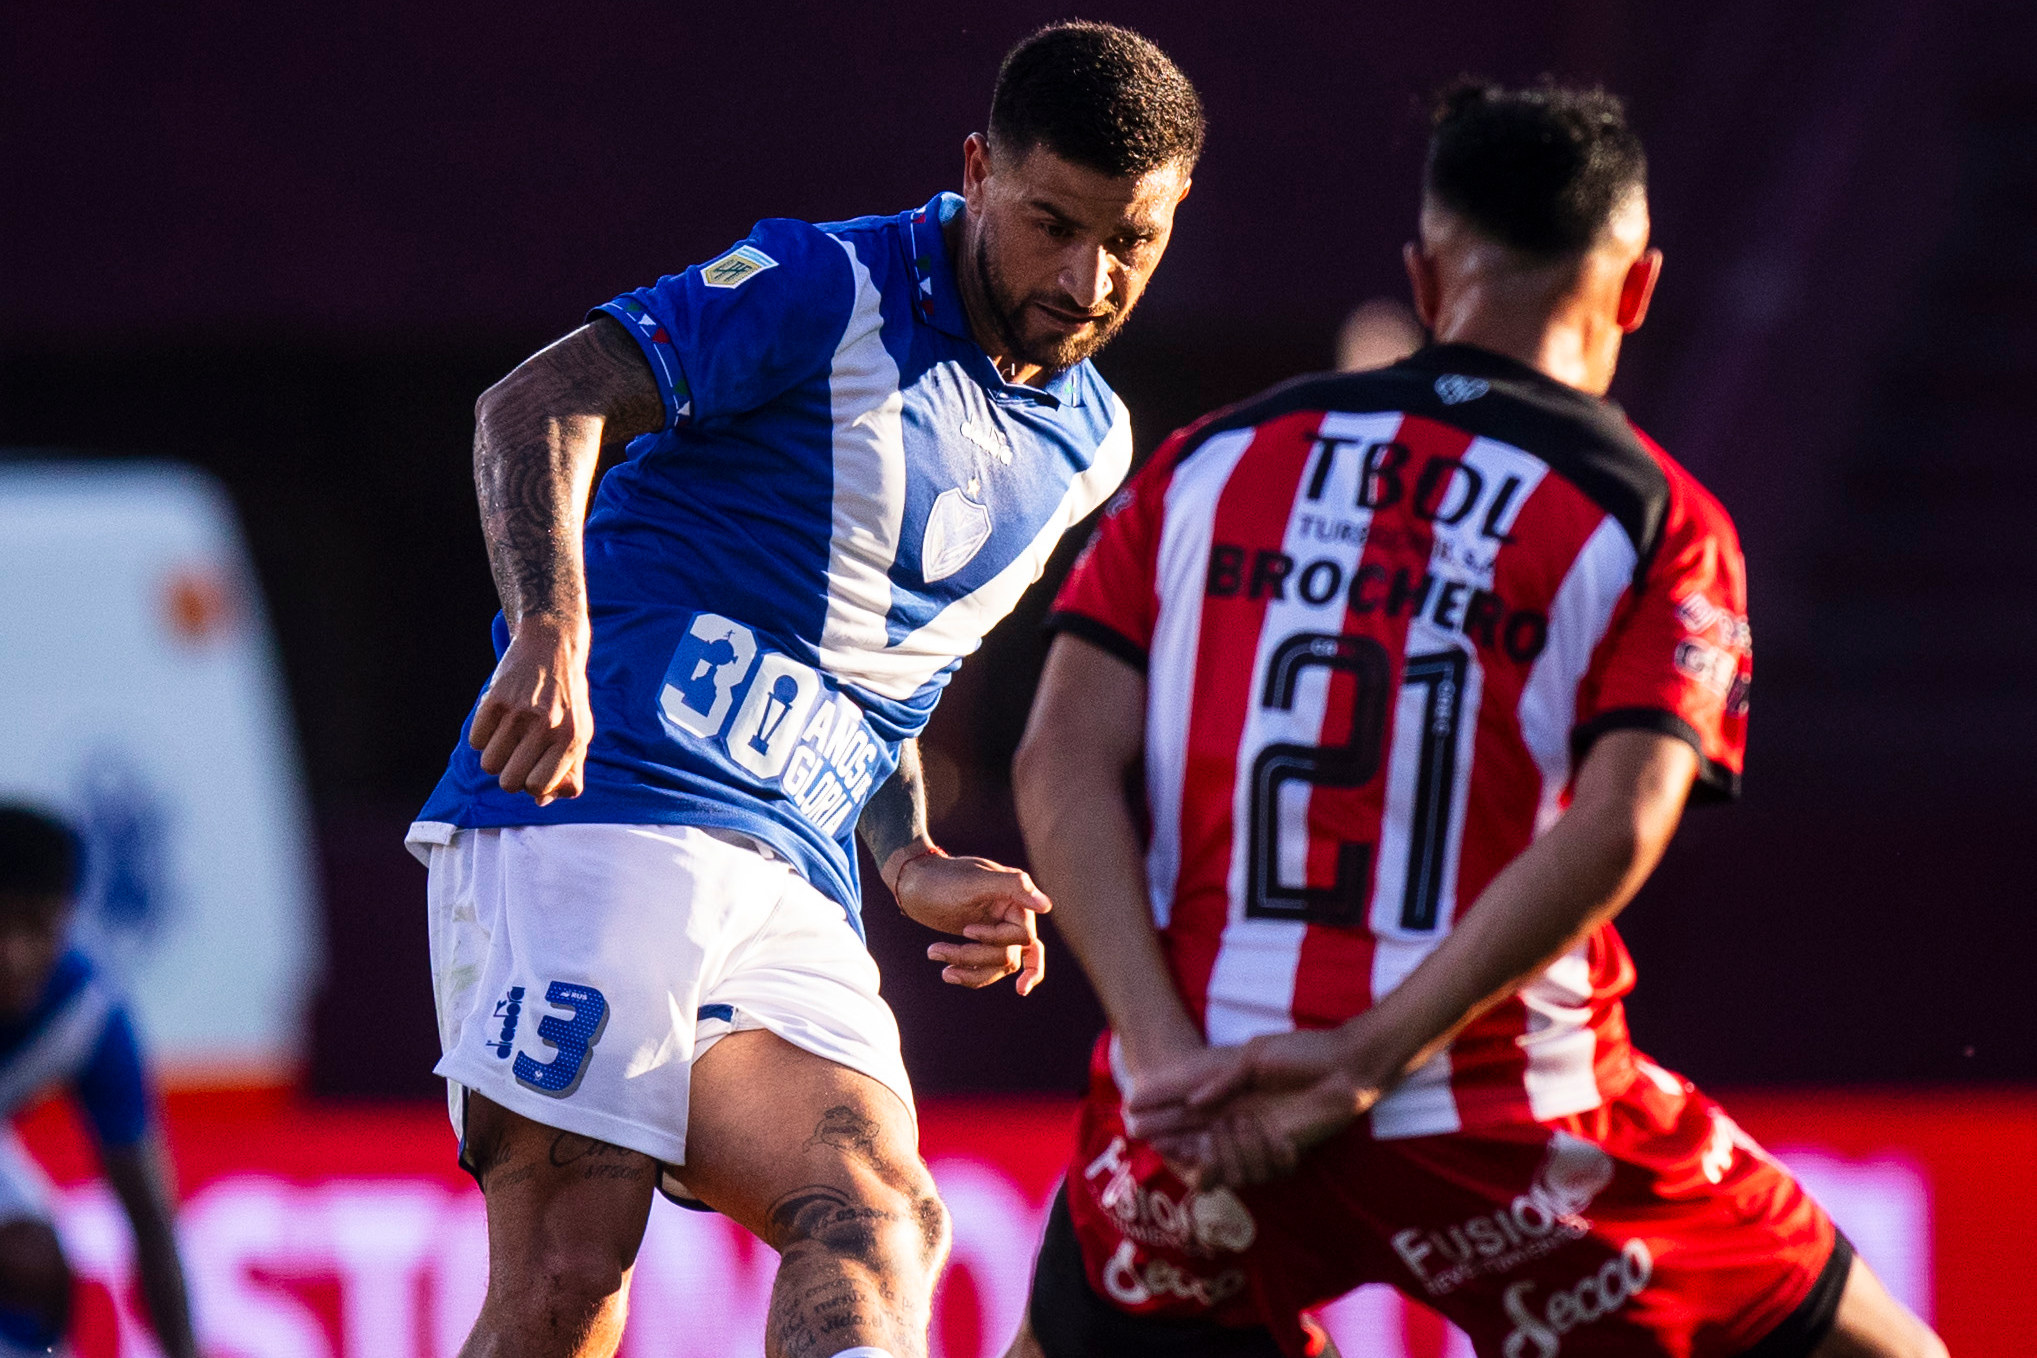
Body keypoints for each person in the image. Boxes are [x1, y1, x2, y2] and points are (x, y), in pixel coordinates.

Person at [1007, 83, 1946, 1358]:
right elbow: (1626, 820)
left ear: (1425, 273)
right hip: (1501, 1107)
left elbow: (1057, 754)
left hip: (1199, 1097)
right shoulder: (1658, 522)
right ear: (1637, 288)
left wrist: (1165, 1058)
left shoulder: (1209, 462)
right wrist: (1366, 1059)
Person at [405, 22, 1201, 1358]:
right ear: (977, 172)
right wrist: (548, 629)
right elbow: (532, 404)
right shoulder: (823, 280)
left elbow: (874, 681)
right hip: (597, 809)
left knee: (881, 1220)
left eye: (1133, 239)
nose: (1088, 277)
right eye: (1053, 224)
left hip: (791, 877)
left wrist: (908, 854)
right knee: (569, 1273)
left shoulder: (1090, 441)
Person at [0, 806, 196, 1358]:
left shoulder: (85, 1013)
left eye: (35, 926)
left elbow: (150, 1219)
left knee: (33, 1265)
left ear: (68, 920)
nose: (11, 953)